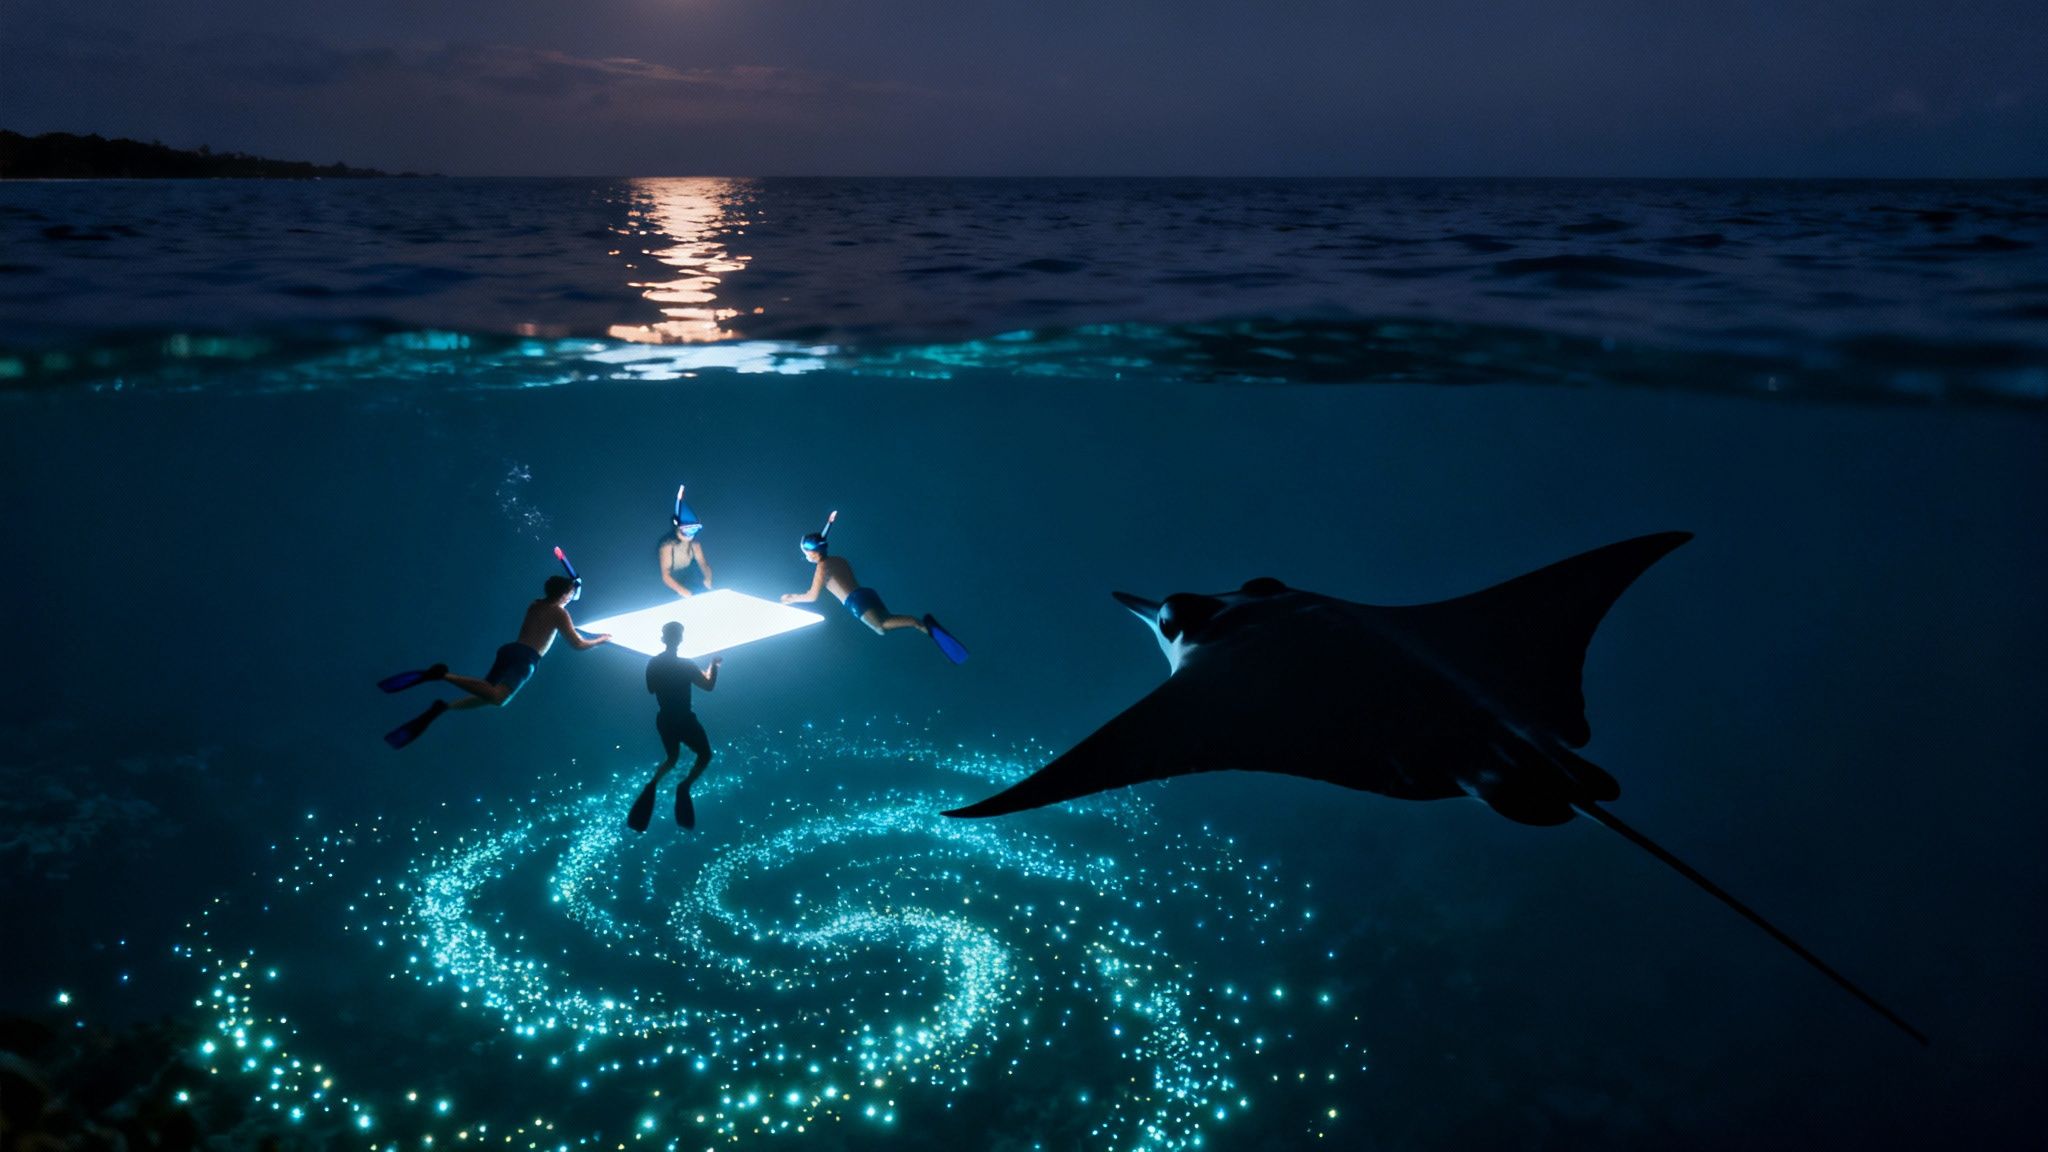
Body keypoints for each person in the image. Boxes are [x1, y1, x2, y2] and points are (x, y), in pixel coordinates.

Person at [379, 574, 612, 748]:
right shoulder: (559, 612)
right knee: (499, 699)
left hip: (509, 650)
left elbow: (562, 596)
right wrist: (600, 640)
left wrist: (572, 586)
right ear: (563, 594)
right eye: (569, 594)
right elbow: (577, 644)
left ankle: (445, 707)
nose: (571, 597)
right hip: (526, 658)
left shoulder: (536, 604)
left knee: (486, 693)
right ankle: (444, 675)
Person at [780, 510, 968, 662]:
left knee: (881, 627)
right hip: (866, 593)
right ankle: (926, 628)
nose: (806, 556)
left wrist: (792, 598)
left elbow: (813, 596)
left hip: (855, 602)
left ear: (814, 553)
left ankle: (919, 623)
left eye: (806, 553)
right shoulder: (839, 560)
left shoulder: (822, 568)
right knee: (888, 619)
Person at [627, 621, 721, 831]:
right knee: (705, 755)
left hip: (665, 718)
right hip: (684, 718)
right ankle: (684, 786)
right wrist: (714, 665)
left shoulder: (653, 663)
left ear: (663, 638)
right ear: (680, 639)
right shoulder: (686, 665)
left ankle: (652, 784)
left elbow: (651, 689)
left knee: (672, 757)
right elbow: (708, 686)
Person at [658, 484, 714, 598]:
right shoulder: (667, 547)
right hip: (671, 585)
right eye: (686, 530)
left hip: (689, 579)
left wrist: (708, 577)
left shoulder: (695, 546)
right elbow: (665, 575)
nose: (690, 534)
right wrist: (682, 591)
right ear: (677, 528)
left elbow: (703, 564)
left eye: (694, 530)